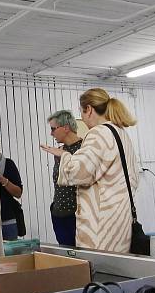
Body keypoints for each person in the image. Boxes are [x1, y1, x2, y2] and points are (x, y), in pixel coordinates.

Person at [41, 88, 140, 253]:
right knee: (118, 272)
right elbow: (134, 178)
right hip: (120, 220)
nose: (82, 118)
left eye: (81, 112)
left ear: (89, 110)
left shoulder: (98, 133)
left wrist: (64, 156)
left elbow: (78, 174)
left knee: (99, 272)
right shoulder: (121, 133)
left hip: (100, 227)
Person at [46, 110, 82, 246]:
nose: (51, 133)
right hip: (59, 212)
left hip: (76, 214)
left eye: (53, 129)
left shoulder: (84, 149)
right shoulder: (59, 151)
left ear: (66, 127)